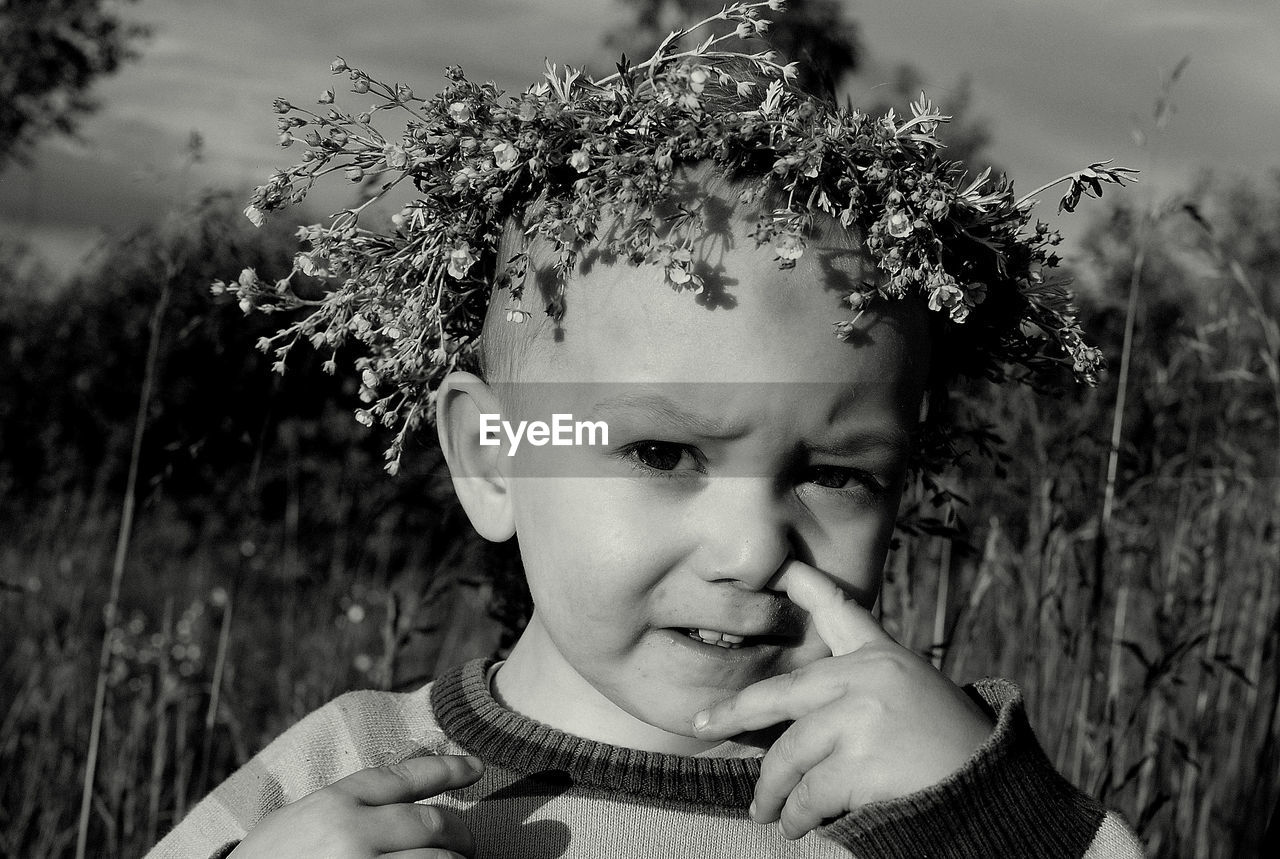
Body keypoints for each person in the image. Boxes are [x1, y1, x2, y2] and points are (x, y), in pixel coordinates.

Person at [150, 4, 1145, 856]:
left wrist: (988, 821)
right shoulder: (353, 773)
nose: (752, 548)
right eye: (663, 453)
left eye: (838, 473)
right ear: (492, 457)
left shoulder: (912, 799)